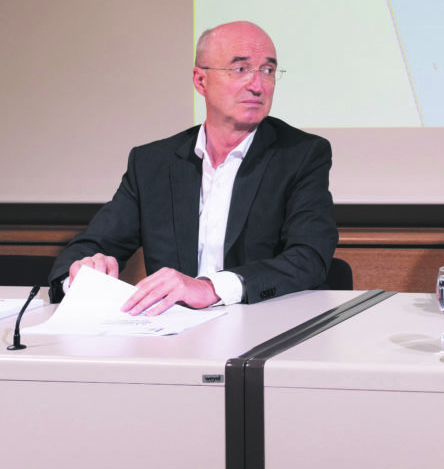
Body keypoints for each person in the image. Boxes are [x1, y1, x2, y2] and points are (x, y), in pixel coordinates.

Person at [50, 21, 338, 314]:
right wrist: (82, 272)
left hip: (267, 324)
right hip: (174, 331)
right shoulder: (153, 163)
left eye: (267, 70)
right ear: (201, 81)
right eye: (240, 69)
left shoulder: (301, 155)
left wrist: (211, 288)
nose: (257, 85)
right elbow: (92, 245)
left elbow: (309, 258)